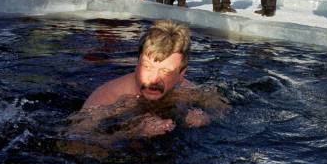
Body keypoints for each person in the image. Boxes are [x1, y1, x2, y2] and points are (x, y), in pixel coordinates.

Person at [80, 20, 224, 138]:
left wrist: (206, 118)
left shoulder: (189, 91)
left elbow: (223, 111)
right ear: (137, 64)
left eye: (165, 71)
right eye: (147, 67)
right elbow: (74, 143)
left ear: (181, 74)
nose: (154, 79)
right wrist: (130, 133)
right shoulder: (108, 97)